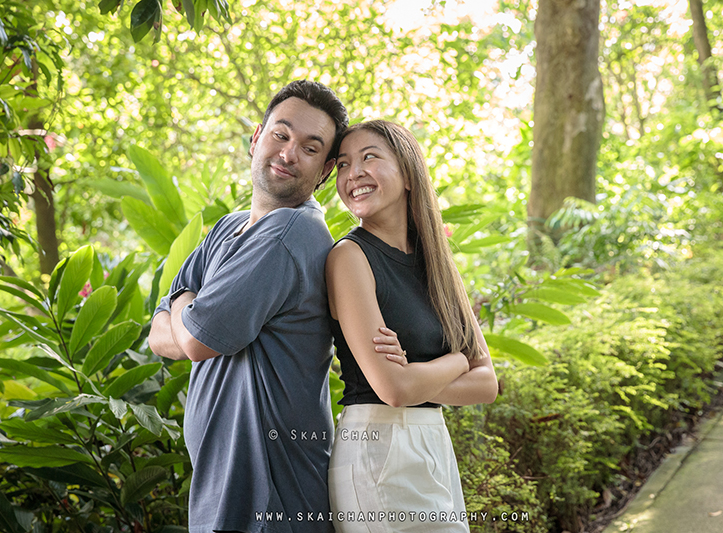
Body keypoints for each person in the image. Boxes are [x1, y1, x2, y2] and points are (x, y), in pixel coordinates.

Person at [148, 80, 349, 533]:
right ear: (256, 138)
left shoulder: (292, 234)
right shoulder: (229, 227)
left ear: (325, 171)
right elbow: (156, 334)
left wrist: (185, 304)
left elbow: (194, 340)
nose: (289, 153)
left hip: (271, 495)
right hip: (222, 492)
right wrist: (189, 313)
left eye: (310, 147)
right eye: (281, 134)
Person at [326, 120, 498, 532]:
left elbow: (488, 383)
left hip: (432, 439)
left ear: (407, 173)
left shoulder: (436, 262)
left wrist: (414, 377)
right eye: (344, 165)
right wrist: (458, 360)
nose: (354, 174)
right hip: (377, 447)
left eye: (369, 157)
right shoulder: (349, 258)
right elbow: (394, 390)